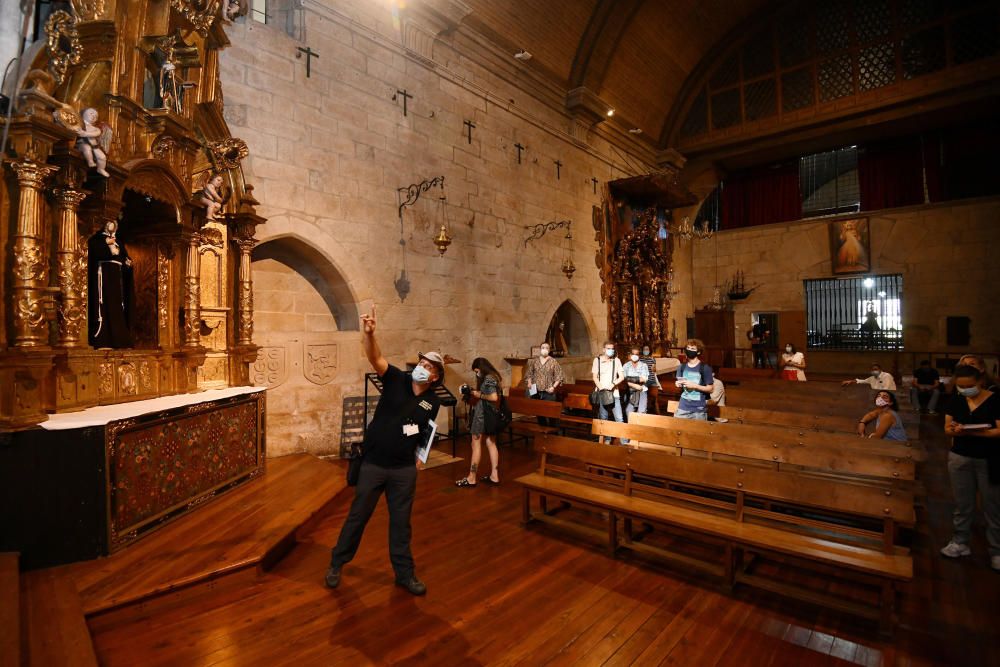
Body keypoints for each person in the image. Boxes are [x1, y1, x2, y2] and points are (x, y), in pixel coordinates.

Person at [326, 304, 443, 596]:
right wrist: (370, 334)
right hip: (374, 464)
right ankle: (337, 563)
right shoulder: (396, 380)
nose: (421, 368)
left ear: (435, 378)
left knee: (401, 524)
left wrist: (420, 456)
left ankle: (405, 574)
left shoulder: (434, 401)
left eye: (428, 367)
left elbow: (426, 432)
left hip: (403, 470)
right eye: (421, 363)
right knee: (358, 516)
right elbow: (375, 357)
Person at [940, 364, 1000, 572]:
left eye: (969, 385)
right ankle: (960, 541)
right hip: (960, 456)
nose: (965, 389)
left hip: (988, 458)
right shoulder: (956, 400)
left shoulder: (995, 400)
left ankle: (996, 550)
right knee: (963, 503)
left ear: (980, 382)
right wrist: (956, 430)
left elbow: (998, 430)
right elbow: (947, 428)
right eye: (961, 386)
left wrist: (972, 432)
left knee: (992, 506)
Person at [456, 358, 502, 487]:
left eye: (477, 371)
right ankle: (494, 476)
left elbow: (493, 397)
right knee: (491, 443)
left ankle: (471, 477)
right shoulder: (494, 376)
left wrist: (478, 395)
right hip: (490, 413)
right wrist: (472, 391)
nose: (477, 374)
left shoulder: (488, 378)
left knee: (475, 443)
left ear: (481, 368)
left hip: (483, 415)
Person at [88, 220, 134, 348]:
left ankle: (119, 338)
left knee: (117, 306)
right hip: (103, 275)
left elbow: (124, 257)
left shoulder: (119, 241)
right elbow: (95, 253)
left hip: (116, 277)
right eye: (109, 224)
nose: (112, 227)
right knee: (103, 305)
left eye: (114, 224)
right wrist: (106, 244)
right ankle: (103, 338)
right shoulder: (97, 239)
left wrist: (128, 263)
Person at [523, 342, 564, 426]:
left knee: (551, 413)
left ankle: (553, 433)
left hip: (548, 392)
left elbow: (559, 376)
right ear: (540, 349)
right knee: (540, 413)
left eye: (546, 348)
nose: (544, 349)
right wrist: (529, 382)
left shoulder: (553, 362)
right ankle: (543, 431)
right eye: (543, 347)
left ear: (549, 350)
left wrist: (553, 387)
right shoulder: (535, 361)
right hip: (536, 391)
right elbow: (529, 374)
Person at [592, 341, 624, 444]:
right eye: (608, 348)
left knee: (619, 418)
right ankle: (607, 439)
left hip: (614, 393)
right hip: (602, 393)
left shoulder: (617, 361)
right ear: (603, 349)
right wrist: (601, 388)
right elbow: (594, 377)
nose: (611, 350)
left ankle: (625, 441)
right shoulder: (597, 360)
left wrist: (613, 384)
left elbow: (622, 377)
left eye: (612, 349)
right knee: (603, 418)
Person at [674, 339, 714, 420]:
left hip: (698, 408)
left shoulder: (705, 368)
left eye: (692, 349)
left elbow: (711, 389)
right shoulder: (681, 367)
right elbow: (679, 381)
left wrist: (695, 386)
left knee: (698, 432)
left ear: (698, 352)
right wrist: (678, 383)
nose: (689, 350)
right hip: (683, 406)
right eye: (688, 348)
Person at [622, 346, 650, 421]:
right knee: (628, 411)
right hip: (630, 391)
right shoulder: (626, 366)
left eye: (636, 354)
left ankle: (640, 429)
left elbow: (644, 379)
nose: (634, 356)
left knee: (641, 412)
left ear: (639, 355)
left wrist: (629, 379)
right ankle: (632, 428)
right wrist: (634, 385)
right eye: (633, 354)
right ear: (630, 355)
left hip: (642, 391)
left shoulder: (644, 365)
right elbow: (623, 380)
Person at [639, 343, 662, 414]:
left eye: (647, 349)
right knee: (643, 391)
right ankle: (643, 409)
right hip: (643, 380)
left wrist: (654, 367)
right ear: (642, 350)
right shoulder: (640, 359)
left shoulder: (652, 359)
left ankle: (646, 409)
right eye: (644, 349)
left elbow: (654, 371)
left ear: (649, 350)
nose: (646, 350)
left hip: (651, 380)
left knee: (653, 393)